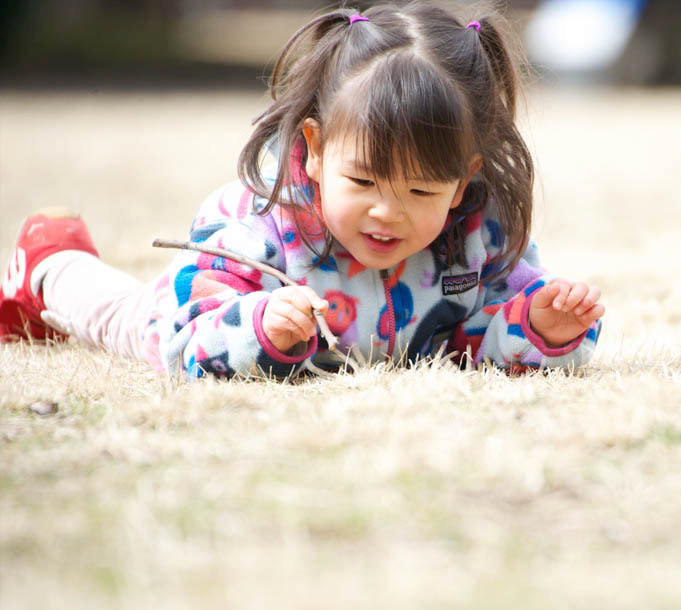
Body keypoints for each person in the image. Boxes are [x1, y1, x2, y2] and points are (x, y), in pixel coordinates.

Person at [0, 3, 605, 380]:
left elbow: (480, 342)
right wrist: (259, 325)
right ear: (314, 151)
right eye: (363, 180)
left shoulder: (481, 233)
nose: (385, 211)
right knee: (132, 322)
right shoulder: (257, 224)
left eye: (421, 190)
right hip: (201, 315)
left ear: (464, 177)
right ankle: (51, 265)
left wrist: (540, 326)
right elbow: (190, 344)